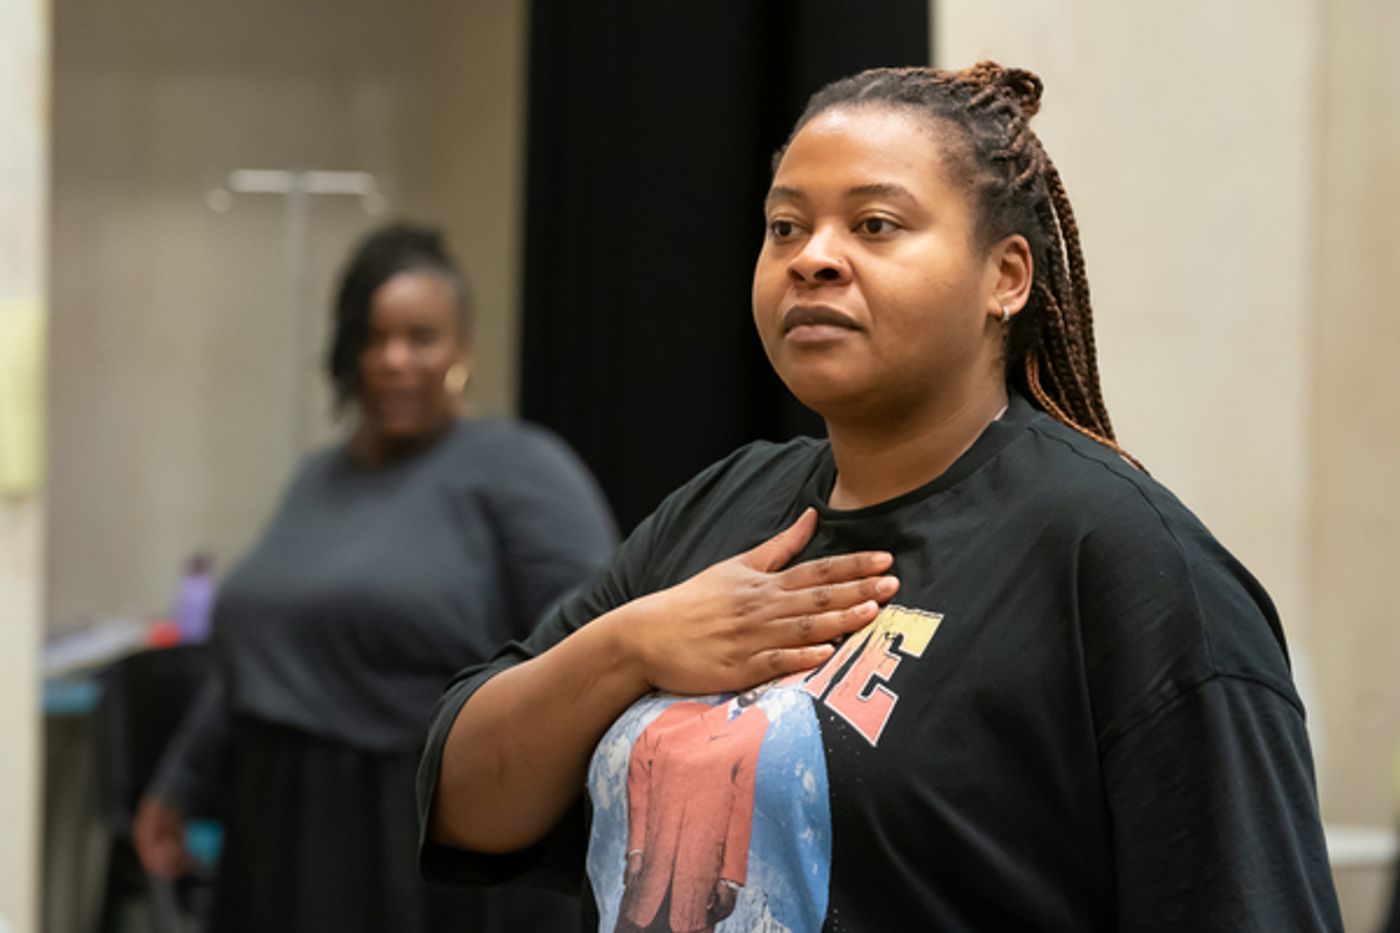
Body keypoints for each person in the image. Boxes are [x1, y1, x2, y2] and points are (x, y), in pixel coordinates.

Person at [418, 64, 1343, 931]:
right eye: (785, 227)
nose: (813, 258)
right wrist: (632, 642)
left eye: (875, 225)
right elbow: (468, 803)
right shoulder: (726, 504)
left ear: (1006, 277)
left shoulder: (1124, 561)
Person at [134, 223, 617, 933]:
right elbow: (256, 658)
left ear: (462, 347)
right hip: (278, 826)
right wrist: (178, 784)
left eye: (420, 337)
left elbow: (590, 651)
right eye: (373, 338)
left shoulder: (520, 469)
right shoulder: (316, 478)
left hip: (416, 835)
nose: (394, 359)